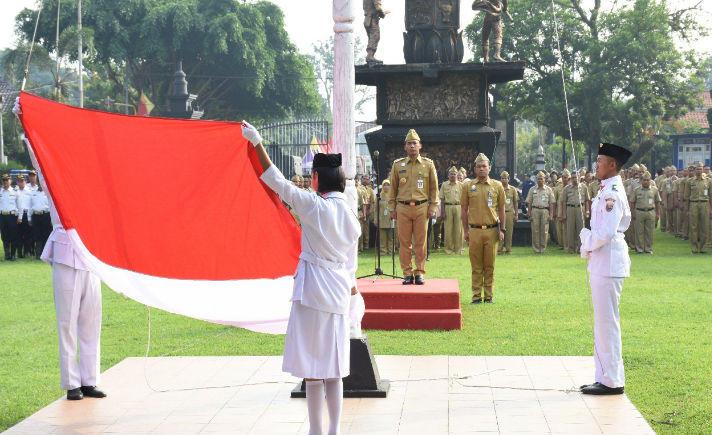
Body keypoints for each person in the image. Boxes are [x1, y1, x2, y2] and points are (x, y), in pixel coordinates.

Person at [243, 121, 361, 435]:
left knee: (314, 369)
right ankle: (334, 429)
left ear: (318, 178)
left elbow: (276, 181)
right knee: (334, 369)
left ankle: (316, 431)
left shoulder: (313, 206)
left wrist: (257, 143)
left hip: (312, 292)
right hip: (337, 291)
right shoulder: (350, 215)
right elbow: (350, 262)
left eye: (312, 176)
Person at [15, 99, 107, 401]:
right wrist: (26, 125)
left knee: (91, 322)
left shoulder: (93, 189)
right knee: (67, 323)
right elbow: (40, 160)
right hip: (66, 255)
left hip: (90, 258)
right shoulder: (56, 185)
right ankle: (72, 384)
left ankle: (89, 379)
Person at [579, 142, 632, 396]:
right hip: (602, 261)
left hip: (609, 262)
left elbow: (607, 231)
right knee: (602, 323)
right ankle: (604, 377)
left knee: (607, 323)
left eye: (600, 161)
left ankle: (612, 380)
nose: (596, 165)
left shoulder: (611, 193)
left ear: (612, 164)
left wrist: (587, 240)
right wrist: (589, 244)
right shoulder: (605, 189)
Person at [388, 129, 439, 285]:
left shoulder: (428, 165)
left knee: (420, 242)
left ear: (420, 146)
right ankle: (407, 273)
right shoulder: (398, 165)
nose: (411, 146)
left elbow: (433, 188)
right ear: (405, 147)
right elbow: (393, 188)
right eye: (409, 143)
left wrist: (433, 206)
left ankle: (419, 272)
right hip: (402, 207)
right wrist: (392, 207)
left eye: (414, 143)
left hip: (422, 207)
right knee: (404, 242)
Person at [461, 153, 505, 304]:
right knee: (476, 265)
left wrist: (502, 229)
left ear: (489, 168)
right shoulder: (468, 186)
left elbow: (501, 209)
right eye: (478, 166)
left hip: (492, 231)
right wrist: (466, 231)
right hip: (475, 230)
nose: (481, 169)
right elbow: (463, 210)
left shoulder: (497, 186)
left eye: (484, 166)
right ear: (474, 169)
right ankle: (476, 296)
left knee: (490, 265)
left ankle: (488, 296)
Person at [630, 171, 661, 254]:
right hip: (639, 211)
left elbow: (658, 202)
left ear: (650, 180)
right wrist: (632, 213)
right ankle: (639, 249)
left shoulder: (654, 189)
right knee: (639, 232)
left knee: (649, 232)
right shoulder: (636, 190)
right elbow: (632, 202)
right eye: (644, 180)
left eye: (647, 180)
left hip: (651, 212)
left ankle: (648, 249)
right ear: (641, 181)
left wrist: (658, 214)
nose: (646, 182)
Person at [685, 162, 712, 254]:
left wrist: (711, 209)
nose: (699, 170)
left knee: (705, 226)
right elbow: (687, 196)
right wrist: (687, 209)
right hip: (694, 204)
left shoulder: (708, 181)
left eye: (700, 168)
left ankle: (704, 248)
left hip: (705, 204)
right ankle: (694, 248)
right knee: (693, 227)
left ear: (703, 170)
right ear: (695, 170)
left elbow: (711, 196)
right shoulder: (690, 181)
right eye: (697, 169)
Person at [526, 172, 555, 253]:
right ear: (536, 180)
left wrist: (551, 214)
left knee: (544, 230)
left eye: (541, 179)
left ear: (544, 179)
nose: (540, 180)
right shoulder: (532, 189)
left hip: (545, 210)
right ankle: (536, 249)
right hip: (535, 210)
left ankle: (543, 249)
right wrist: (529, 214)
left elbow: (552, 203)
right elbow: (529, 202)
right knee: (535, 230)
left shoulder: (549, 190)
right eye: (538, 179)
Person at [562, 172, 590, 254]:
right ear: (571, 178)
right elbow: (564, 202)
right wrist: (564, 214)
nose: (575, 179)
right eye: (573, 177)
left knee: (581, 229)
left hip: (580, 208)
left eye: (576, 177)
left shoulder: (584, 187)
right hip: (570, 208)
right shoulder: (567, 188)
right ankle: (571, 249)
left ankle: (580, 249)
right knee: (570, 229)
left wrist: (587, 211)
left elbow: (587, 200)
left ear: (579, 177)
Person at [439, 166, 463, 255]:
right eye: (451, 174)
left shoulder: (461, 185)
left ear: (457, 175)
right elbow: (442, 199)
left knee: (458, 229)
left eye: (454, 174)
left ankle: (458, 249)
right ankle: (448, 250)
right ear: (448, 175)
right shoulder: (444, 185)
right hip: (447, 207)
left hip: (458, 207)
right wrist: (442, 212)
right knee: (448, 230)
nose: (453, 175)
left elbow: (464, 200)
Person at [28, 184, 52, 259]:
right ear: (38, 183)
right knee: (37, 235)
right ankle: (38, 254)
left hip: (45, 215)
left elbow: (51, 206)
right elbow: (29, 206)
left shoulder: (48, 192)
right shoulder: (33, 192)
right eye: (39, 182)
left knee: (46, 235)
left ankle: (46, 255)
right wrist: (29, 218)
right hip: (35, 216)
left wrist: (52, 218)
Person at [0, 173, 20, 260]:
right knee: (4, 236)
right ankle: (7, 255)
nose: (5, 182)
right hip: (2, 216)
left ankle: (13, 255)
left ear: (10, 181)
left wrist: (20, 217)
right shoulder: (0, 192)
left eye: (7, 180)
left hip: (12, 216)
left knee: (13, 236)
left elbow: (19, 206)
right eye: (4, 180)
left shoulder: (15, 191)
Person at [498, 170, 518, 254]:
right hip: (499, 212)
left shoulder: (513, 189)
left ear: (508, 179)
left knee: (509, 231)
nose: (504, 180)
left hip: (509, 212)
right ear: (500, 179)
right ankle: (499, 248)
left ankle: (508, 249)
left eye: (505, 178)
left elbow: (515, 203)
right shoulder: (498, 188)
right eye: (502, 178)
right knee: (499, 230)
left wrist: (516, 214)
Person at [16, 175, 33, 257]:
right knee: (18, 235)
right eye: (19, 181)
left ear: (25, 182)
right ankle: (19, 253)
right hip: (17, 215)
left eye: (22, 181)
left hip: (26, 215)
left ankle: (27, 252)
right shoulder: (15, 191)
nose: (21, 182)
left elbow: (30, 205)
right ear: (17, 182)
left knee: (27, 234)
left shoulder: (29, 191)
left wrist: (29, 218)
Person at [377, 180, 395, 254]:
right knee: (382, 237)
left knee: (391, 237)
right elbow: (376, 209)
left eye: (388, 185)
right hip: (382, 219)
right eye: (384, 185)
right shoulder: (379, 196)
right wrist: (376, 219)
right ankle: (383, 251)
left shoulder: (393, 196)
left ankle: (391, 251)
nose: (386, 186)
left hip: (391, 219)